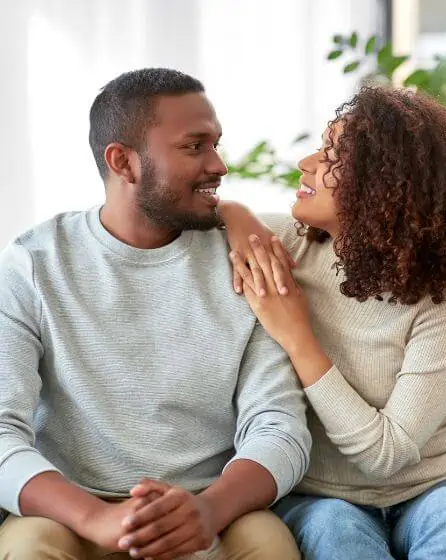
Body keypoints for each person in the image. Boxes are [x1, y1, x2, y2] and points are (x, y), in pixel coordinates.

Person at [0, 68, 310, 560]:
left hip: (211, 507)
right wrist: (94, 516)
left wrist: (208, 510)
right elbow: (1, 429)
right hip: (73, 511)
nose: (219, 165)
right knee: (29, 546)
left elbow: (279, 426)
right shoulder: (34, 263)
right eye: (195, 147)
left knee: (268, 543)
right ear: (123, 161)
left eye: (217, 144)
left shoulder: (243, 261)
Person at [222, 86, 446, 559]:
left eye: (332, 156)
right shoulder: (285, 248)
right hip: (319, 498)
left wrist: (298, 337)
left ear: (384, 184)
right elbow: (194, 212)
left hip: (442, 487)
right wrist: (236, 214)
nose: (307, 162)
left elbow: (389, 453)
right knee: (334, 529)